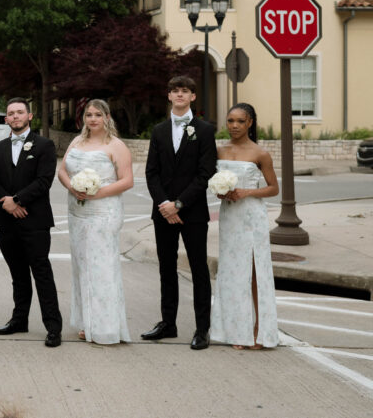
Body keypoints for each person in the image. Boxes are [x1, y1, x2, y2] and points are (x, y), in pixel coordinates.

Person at [142, 76, 217, 350]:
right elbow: (151, 173)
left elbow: (205, 173)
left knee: (199, 270)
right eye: (175, 90)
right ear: (169, 96)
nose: (180, 95)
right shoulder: (159, 130)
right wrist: (164, 204)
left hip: (193, 212)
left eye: (185, 91)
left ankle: (202, 329)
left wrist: (179, 204)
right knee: (166, 268)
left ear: (193, 97)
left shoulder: (205, 130)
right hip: (163, 212)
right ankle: (168, 323)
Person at [0, 98, 62, 347]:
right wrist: (5, 201)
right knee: (17, 275)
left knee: (41, 273)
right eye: (11, 113)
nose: (16, 116)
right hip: (6, 221)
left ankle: (53, 327)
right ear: (6, 119)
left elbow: (44, 181)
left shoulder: (44, 145)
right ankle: (19, 320)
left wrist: (18, 200)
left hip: (35, 221)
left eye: (20, 112)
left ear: (30, 116)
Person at [57, 99, 132, 345]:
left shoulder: (116, 145)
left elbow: (126, 181)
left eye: (97, 114)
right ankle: (86, 321)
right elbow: (62, 171)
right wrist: (73, 187)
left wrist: (95, 193)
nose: (92, 119)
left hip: (103, 212)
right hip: (77, 212)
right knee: (81, 266)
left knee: (101, 268)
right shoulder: (77, 141)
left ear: (107, 117)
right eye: (88, 114)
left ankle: (105, 326)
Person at [210, 103, 280, 349]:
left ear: (250, 122)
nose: (235, 126)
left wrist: (247, 192)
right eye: (230, 121)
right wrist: (220, 193)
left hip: (251, 217)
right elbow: (213, 180)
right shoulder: (219, 150)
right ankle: (236, 329)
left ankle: (259, 329)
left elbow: (273, 188)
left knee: (253, 273)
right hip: (229, 216)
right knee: (231, 272)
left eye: (240, 121)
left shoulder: (260, 153)